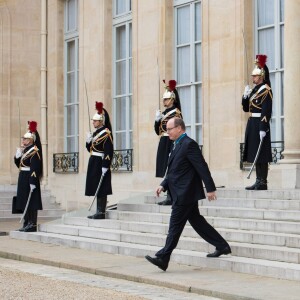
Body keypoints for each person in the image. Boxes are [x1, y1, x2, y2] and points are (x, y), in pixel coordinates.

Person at [145, 118, 231, 271]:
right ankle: (222, 245)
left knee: (175, 226)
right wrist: (163, 185)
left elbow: (202, 167)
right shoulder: (177, 145)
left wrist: (210, 188)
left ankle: (163, 257)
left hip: (185, 193)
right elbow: (173, 171)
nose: (168, 132)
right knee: (198, 222)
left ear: (179, 128)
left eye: (170, 128)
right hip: (182, 193)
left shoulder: (189, 144)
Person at [242, 66, 273, 190]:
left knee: (262, 154)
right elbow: (245, 109)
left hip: (260, 123)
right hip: (252, 122)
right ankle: (258, 180)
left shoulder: (266, 90)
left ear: (261, 77)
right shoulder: (255, 90)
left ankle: (263, 181)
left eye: (255, 76)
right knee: (256, 152)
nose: (253, 78)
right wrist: (245, 96)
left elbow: (266, 109)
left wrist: (263, 127)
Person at [154, 80, 182, 206]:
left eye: (166, 99)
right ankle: (168, 195)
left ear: (172, 99)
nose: (164, 102)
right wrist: (157, 121)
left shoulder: (176, 112)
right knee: (165, 167)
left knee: (171, 167)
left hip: (171, 141)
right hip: (164, 140)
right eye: (164, 99)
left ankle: (171, 195)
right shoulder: (164, 113)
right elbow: (158, 131)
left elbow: (176, 129)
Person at [85, 102, 113, 219]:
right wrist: (88, 141)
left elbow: (109, 151)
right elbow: (90, 149)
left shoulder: (106, 134)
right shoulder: (96, 133)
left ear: (101, 121)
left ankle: (101, 212)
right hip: (94, 161)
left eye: (95, 121)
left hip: (101, 162)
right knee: (97, 185)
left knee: (102, 187)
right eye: (93, 120)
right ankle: (98, 210)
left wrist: (105, 165)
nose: (93, 122)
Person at [14, 121, 43, 232]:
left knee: (31, 201)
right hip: (23, 176)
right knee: (24, 200)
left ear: (31, 140)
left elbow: (35, 167)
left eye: (25, 139)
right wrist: (17, 157)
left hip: (29, 177)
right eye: (23, 139)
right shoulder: (25, 151)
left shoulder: (35, 151)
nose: (23, 141)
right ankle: (26, 222)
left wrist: (32, 180)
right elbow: (20, 165)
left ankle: (32, 224)